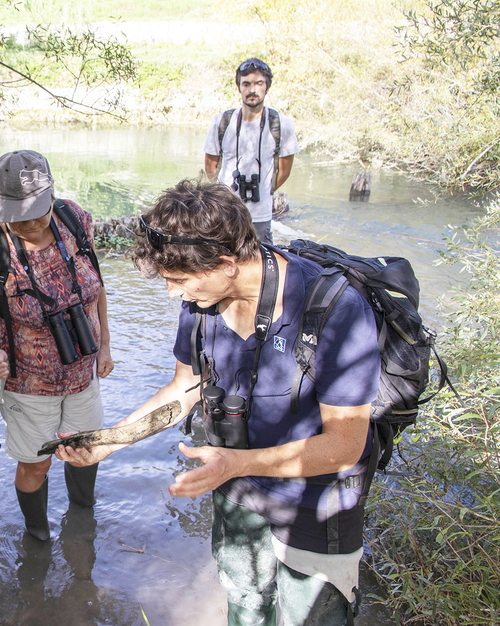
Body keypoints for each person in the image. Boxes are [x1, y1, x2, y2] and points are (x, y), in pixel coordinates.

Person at [56, 180, 380, 626]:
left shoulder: (336, 309)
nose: (173, 293)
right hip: (237, 488)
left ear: (227, 264)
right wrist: (108, 442)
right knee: (245, 604)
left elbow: (345, 445)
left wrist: (235, 464)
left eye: (178, 281)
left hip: (316, 503)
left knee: (313, 618)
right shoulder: (203, 300)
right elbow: (183, 391)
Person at [0, 149, 113, 541]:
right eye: (17, 215)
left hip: (83, 373)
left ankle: (83, 517)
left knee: (85, 451)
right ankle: (37, 533)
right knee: (36, 465)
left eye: (37, 211)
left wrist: (105, 348)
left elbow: (96, 289)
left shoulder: (74, 220)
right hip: (29, 386)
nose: (28, 223)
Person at [204, 58, 299, 244]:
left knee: (260, 265)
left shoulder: (281, 124)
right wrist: (223, 194)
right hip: (225, 213)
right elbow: (210, 166)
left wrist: (265, 191)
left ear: (267, 87)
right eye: (246, 84)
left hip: (261, 216)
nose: (252, 90)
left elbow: (285, 170)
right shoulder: (222, 122)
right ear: (239, 87)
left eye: (258, 84)